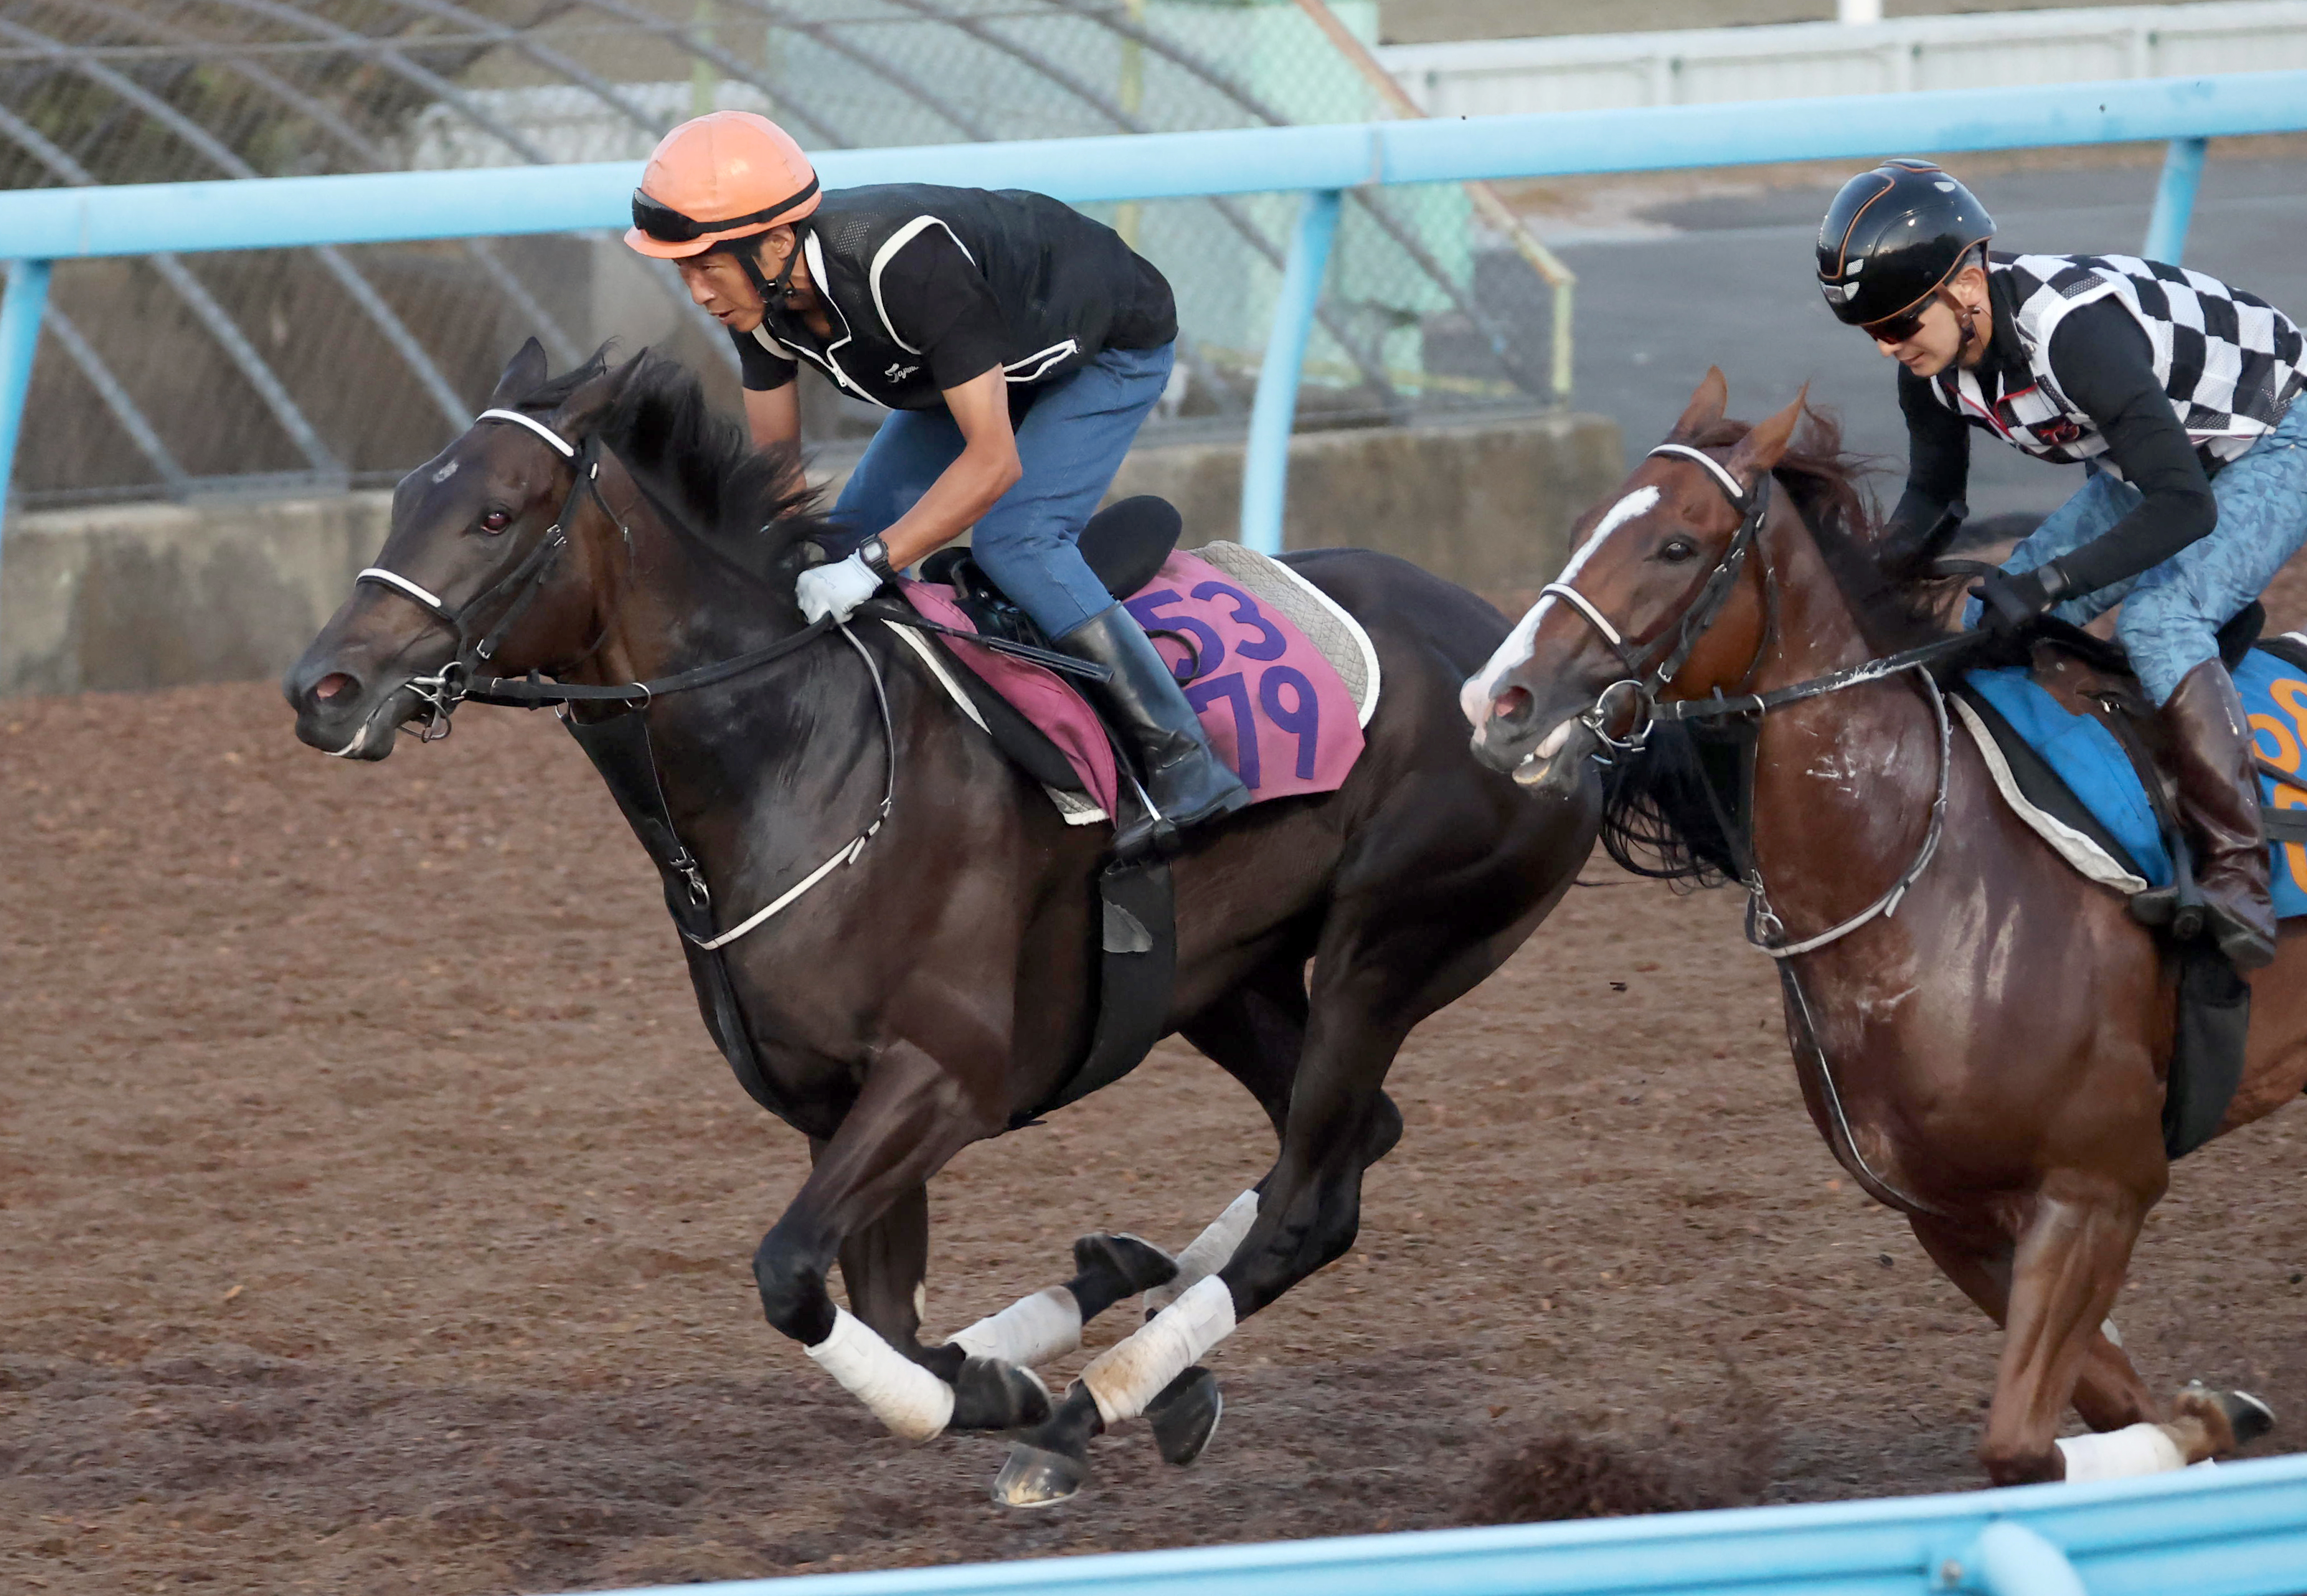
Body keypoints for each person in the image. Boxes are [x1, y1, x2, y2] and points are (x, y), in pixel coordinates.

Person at [623, 111, 1248, 838]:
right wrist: (791, 554)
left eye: (705, 265)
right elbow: (779, 473)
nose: (697, 291)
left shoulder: (906, 265)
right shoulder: (759, 303)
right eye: (682, 270)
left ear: (776, 243)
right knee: (831, 545)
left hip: (1105, 347)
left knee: (1019, 543)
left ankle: (1188, 763)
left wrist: (873, 565)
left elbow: (993, 461)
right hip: (972, 366)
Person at [1816, 157, 2307, 968]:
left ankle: (2240, 872)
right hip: (2152, 459)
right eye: (1870, 332)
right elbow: (1935, 503)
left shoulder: (2074, 335)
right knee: (1984, 625)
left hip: (2275, 436)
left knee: (2161, 618)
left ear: (1966, 286)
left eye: (1899, 326)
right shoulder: (1933, 369)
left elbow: (2187, 507)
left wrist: (2049, 584)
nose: (1887, 349)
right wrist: (1857, 585)